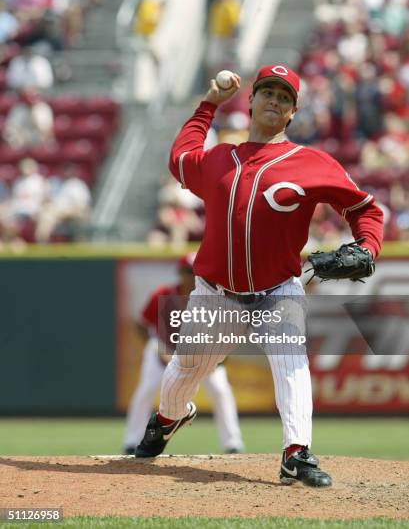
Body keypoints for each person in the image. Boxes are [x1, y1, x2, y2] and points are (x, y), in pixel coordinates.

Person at [135, 64, 383, 487]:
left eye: (284, 97)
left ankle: (296, 453)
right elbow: (179, 159)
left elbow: (366, 210)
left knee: (291, 365)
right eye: (267, 92)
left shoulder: (311, 162)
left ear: (293, 112)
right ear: (250, 100)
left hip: (278, 290)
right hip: (216, 294)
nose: (274, 100)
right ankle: (168, 419)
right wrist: (209, 105)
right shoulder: (218, 158)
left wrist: (368, 246)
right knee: (184, 372)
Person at [123, 253, 244, 455]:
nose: (194, 275)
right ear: (180, 273)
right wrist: (154, 346)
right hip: (164, 351)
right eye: (189, 271)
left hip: (202, 352)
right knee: (145, 391)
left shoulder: (213, 299)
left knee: (221, 391)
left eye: (197, 271)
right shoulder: (164, 294)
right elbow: (141, 324)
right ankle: (131, 440)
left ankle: (232, 443)